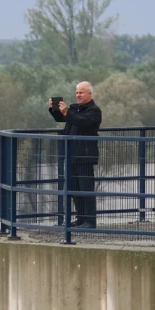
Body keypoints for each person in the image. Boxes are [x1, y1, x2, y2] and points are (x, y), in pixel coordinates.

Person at [48, 82, 103, 227]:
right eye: (77, 92)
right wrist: (54, 110)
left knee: (86, 190)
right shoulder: (74, 108)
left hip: (85, 157)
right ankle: (80, 219)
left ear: (89, 94)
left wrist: (67, 113)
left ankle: (90, 221)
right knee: (74, 190)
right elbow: (63, 119)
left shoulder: (94, 111)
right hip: (71, 155)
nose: (78, 95)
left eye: (81, 92)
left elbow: (82, 122)